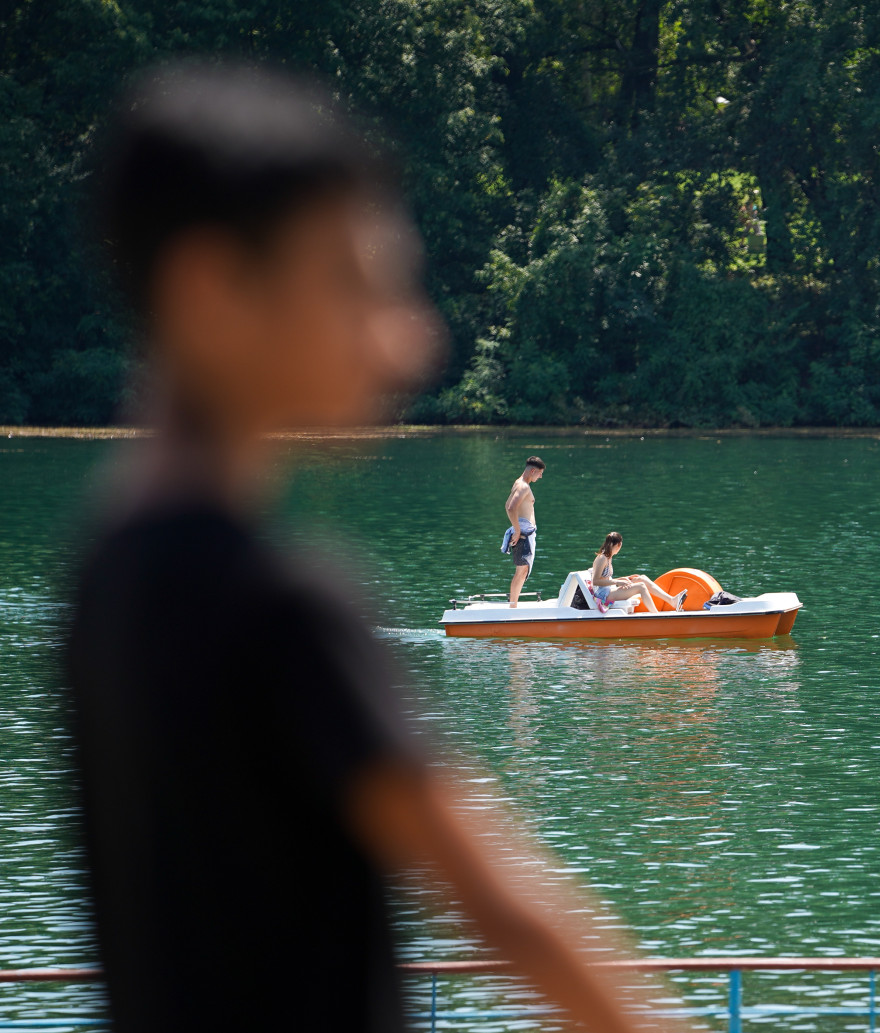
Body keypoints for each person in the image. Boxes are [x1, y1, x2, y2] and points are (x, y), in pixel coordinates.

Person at [65, 63, 680, 1033]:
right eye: (356, 283)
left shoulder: (105, 573)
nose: (411, 341)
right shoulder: (278, 604)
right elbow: (503, 911)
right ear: (213, 287)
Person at [590, 532, 687, 612]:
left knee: (642, 578)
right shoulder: (602, 558)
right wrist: (617, 582)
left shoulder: (608, 557)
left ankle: (672, 600)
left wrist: (623, 578)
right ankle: (656, 615)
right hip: (603, 595)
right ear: (619, 545)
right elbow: (596, 581)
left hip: (608, 589)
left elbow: (605, 578)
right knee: (641, 587)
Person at [504, 456, 544, 606]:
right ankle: (513, 607)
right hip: (523, 534)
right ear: (533, 470)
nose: (540, 476)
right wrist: (517, 530)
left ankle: (513, 604)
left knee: (522, 570)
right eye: (539, 473)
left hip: (524, 533)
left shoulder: (518, 483)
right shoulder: (524, 486)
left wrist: (516, 528)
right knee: (521, 571)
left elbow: (507, 504)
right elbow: (510, 507)